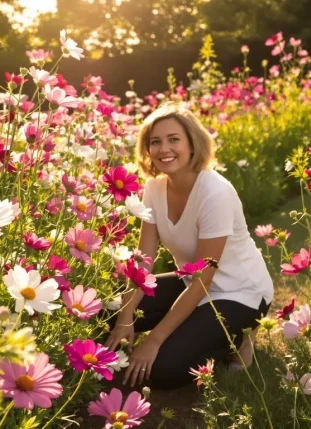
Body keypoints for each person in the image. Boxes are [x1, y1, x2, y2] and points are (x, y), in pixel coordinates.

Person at [104, 102, 274, 390]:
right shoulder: (154, 188)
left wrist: (154, 340)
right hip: (189, 284)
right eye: (155, 142)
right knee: (107, 312)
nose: (163, 149)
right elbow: (144, 260)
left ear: (192, 144)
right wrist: (125, 316)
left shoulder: (215, 192)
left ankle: (239, 339)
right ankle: (195, 327)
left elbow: (203, 279)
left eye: (174, 139)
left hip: (240, 293)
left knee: (163, 369)